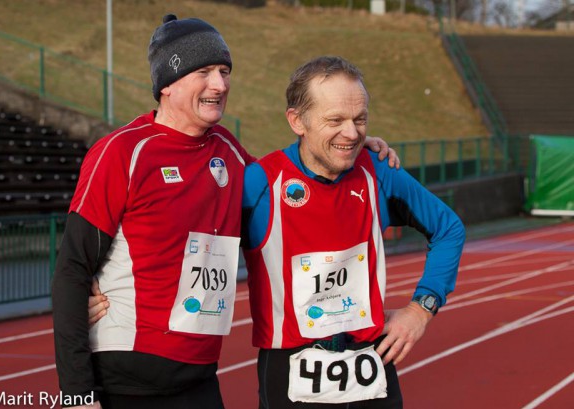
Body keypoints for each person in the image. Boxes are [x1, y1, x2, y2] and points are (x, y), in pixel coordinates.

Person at [53, 15, 398, 409]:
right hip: (125, 376)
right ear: (167, 83)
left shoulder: (229, 152)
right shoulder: (123, 152)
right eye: (205, 71)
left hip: (199, 376)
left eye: (224, 71)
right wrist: (76, 395)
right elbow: (71, 269)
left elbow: (289, 187)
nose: (220, 84)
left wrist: (346, 142)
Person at [240, 56, 465, 408]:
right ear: (297, 120)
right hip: (290, 368)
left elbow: (448, 228)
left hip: (370, 361)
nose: (352, 132)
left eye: (360, 119)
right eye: (335, 120)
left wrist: (422, 308)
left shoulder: (378, 171)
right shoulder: (258, 182)